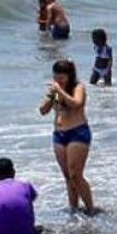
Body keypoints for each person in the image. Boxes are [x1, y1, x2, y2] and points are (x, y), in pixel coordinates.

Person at [40, 59, 94, 215]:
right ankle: (74, 209)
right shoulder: (55, 92)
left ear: (70, 76)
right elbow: (43, 111)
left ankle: (90, 209)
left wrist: (61, 91)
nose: (58, 80)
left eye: (62, 77)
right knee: (67, 176)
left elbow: (77, 104)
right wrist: (51, 97)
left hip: (77, 132)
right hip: (59, 135)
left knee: (75, 174)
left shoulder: (78, 88)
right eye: (56, 77)